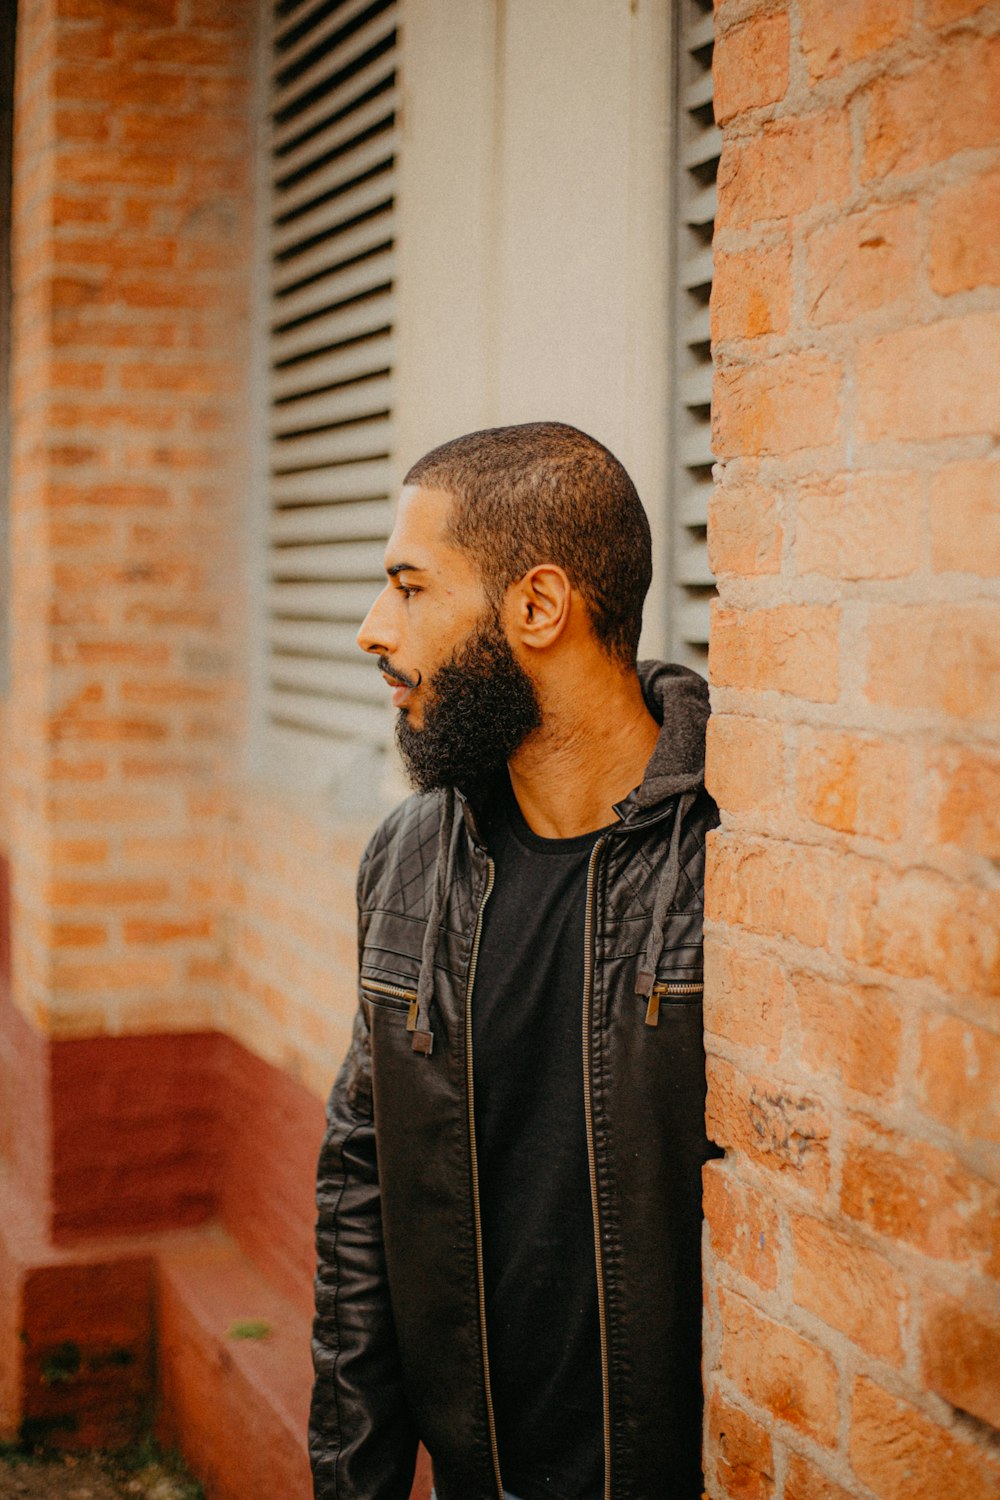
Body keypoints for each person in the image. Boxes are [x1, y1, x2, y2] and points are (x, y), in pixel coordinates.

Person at [309, 422, 719, 1500]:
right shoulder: (412, 855)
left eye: (408, 586)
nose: (371, 630)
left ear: (537, 607)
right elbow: (361, 1177)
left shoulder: (733, 856)